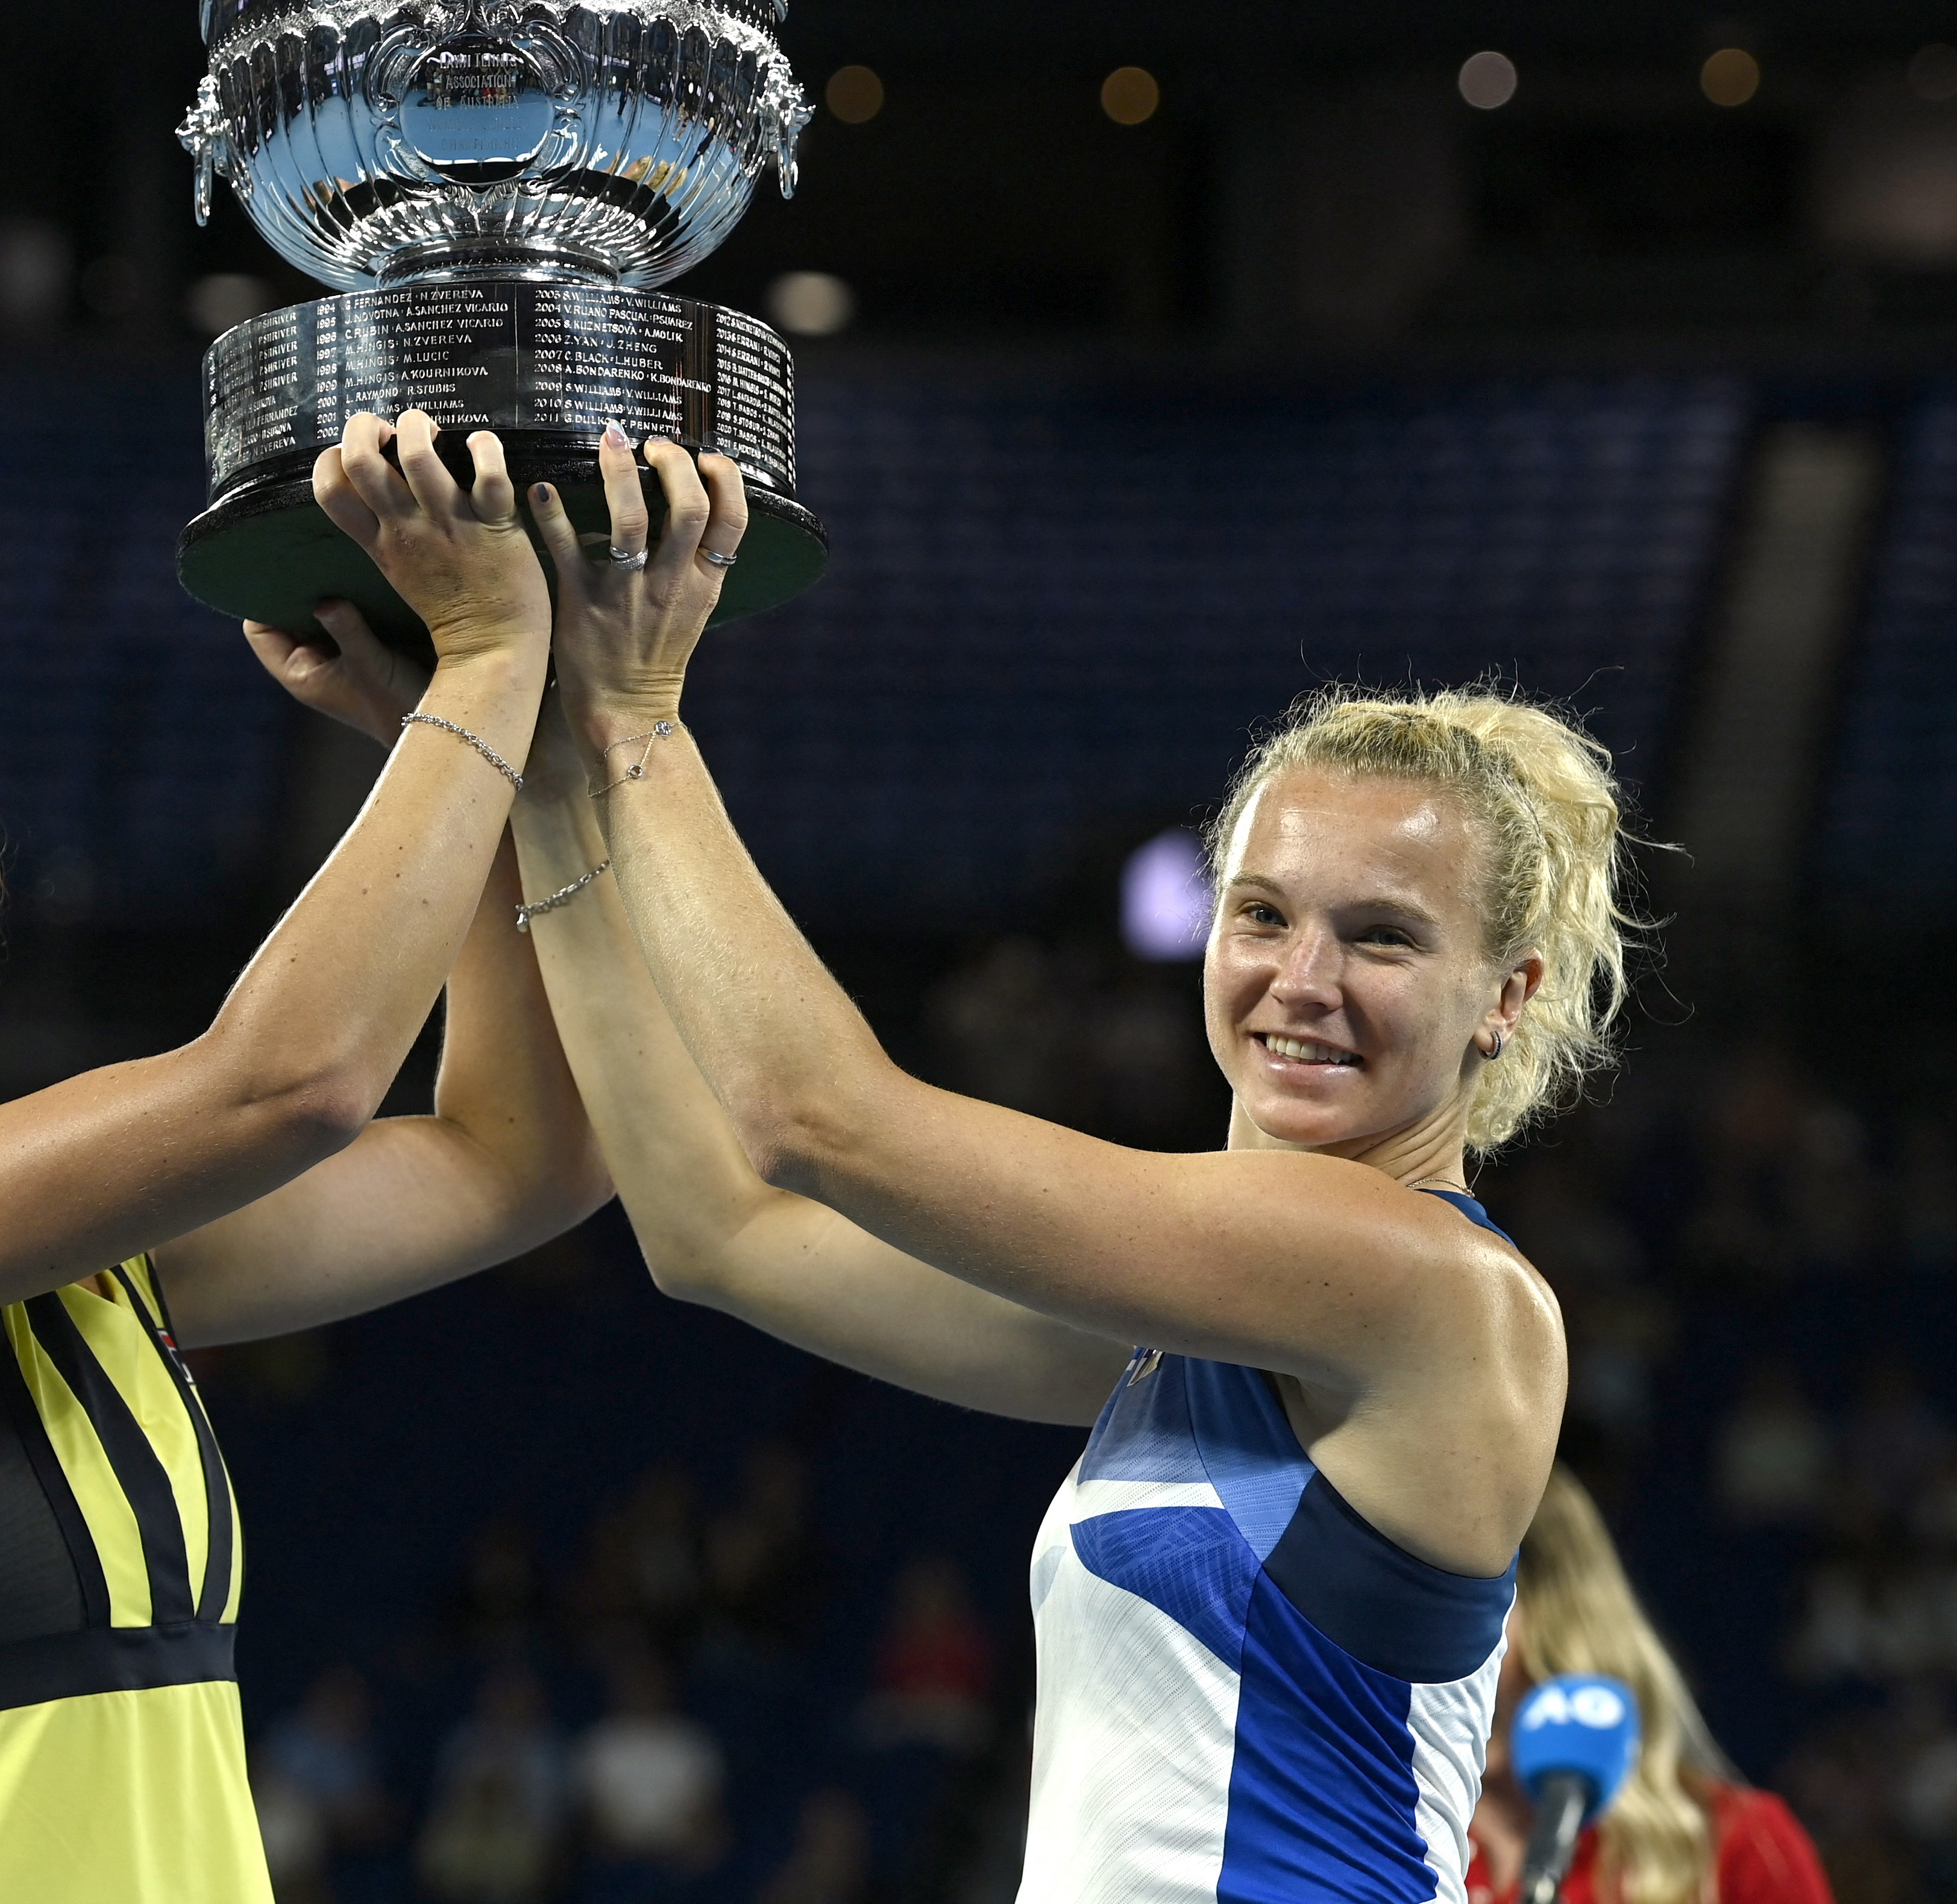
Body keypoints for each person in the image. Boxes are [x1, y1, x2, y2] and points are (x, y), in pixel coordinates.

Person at [504, 430, 1625, 1902]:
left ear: (1506, 996)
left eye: (1382, 937)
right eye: (1263, 915)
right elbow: (715, 1229)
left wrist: (636, 712)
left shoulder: (1423, 1285)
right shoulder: (1189, 1330)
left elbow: (816, 1119)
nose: (1301, 978)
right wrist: (544, 771)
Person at [0, 412, 603, 1902]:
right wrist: (475, 679)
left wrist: (508, 769)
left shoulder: (103, 1265)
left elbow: (520, 1157)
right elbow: (292, 1082)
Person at [1467, 1468, 1832, 1904]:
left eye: (1455, 1609)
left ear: (1559, 1624)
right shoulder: (1381, 1838)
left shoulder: (1738, 1845)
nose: (1423, 1654)